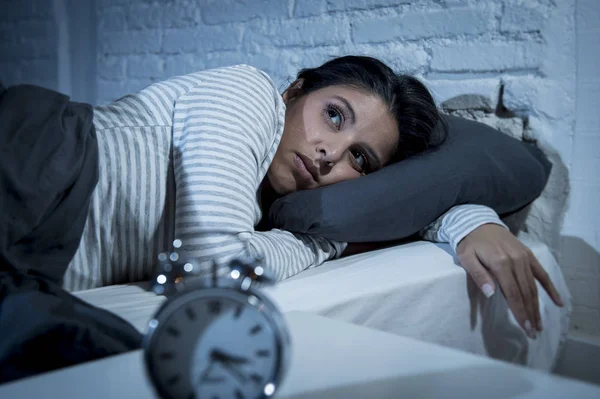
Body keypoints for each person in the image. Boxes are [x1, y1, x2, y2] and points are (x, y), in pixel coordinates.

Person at [63, 56, 562, 340]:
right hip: (37, 160)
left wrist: (478, 224)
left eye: (360, 160)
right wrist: (323, 246)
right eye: (334, 115)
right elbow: (211, 271)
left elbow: (412, 197)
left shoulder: (267, 206)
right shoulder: (247, 93)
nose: (329, 153)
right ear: (294, 92)